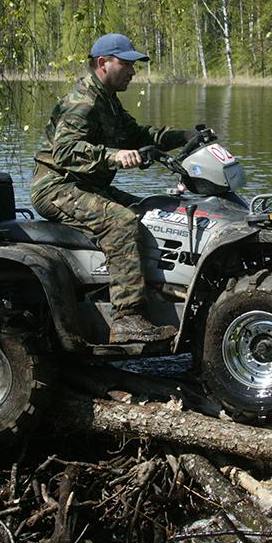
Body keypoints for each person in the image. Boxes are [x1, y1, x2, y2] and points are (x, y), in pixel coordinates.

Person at [31, 33, 195, 344]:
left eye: (135, 64)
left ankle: (159, 294)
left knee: (152, 212)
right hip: (57, 187)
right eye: (127, 63)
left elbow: (137, 134)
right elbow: (64, 152)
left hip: (86, 185)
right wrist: (114, 156)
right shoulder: (83, 101)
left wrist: (185, 136)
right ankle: (127, 319)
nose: (133, 71)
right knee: (121, 222)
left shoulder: (108, 101)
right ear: (103, 63)